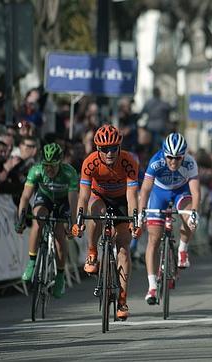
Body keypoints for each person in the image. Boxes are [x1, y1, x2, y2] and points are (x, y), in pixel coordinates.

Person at [71, 124, 140, 320]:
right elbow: (83, 196)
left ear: (119, 147)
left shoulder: (128, 161)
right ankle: (92, 252)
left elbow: (133, 195)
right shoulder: (90, 162)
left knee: (124, 249)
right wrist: (79, 218)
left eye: (113, 148)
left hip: (121, 200)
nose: (109, 153)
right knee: (95, 213)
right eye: (104, 149)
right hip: (98, 196)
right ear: (97, 149)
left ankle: (122, 300)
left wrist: (135, 219)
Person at [138, 133, 200, 305]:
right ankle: (151, 286)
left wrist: (194, 211)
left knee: (189, 218)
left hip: (181, 191)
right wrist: (141, 211)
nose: (173, 162)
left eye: (178, 158)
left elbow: (196, 192)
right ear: (164, 154)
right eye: (170, 158)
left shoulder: (190, 162)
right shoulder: (155, 161)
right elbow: (145, 190)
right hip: (160, 193)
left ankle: (182, 249)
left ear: (184, 155)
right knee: (154, 239)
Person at [15, 143, 78, 298]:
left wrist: (72, 223)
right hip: (45, 198)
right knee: (38, 220)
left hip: (64, 202)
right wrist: (21, 218)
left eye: (53, 166)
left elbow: (73, 203)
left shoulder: (69, 173)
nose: (49, 169)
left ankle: (60, 276)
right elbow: (24, 197)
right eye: (46, 165)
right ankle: (31, 262)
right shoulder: (36, 171)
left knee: (59, 234)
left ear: (60, 162)